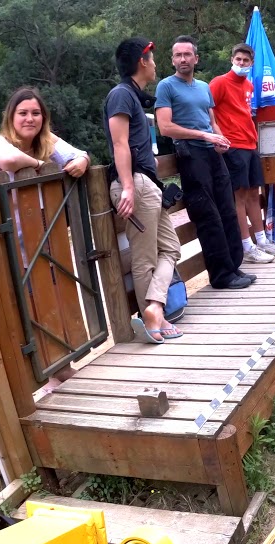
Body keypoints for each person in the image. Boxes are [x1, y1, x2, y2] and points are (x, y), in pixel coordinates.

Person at [156, 34, 258, 289]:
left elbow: (211, 121)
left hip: (213, 153)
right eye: (178, 55)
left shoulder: (203, 87)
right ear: (172, 60)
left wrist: (219, 139)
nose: (182, 59)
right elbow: (165, 127)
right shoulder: (166, 87)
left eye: (187, 54)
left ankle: (234, 267)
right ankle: (221, 276)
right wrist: (203, 135)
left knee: (227, 209)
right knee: (208, 214)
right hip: (190, 153)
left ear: (196, 58)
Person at [104, 37, 184, 343]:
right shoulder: (121, 95)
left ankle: (153, 307)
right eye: (153, 58)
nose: (156, 64)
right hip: (135, 182)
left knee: (172, 248)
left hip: (145, 184)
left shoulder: (132, 96)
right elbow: (119, 143)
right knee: (144, 257)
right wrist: (127, 187)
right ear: (142, 60)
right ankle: (154, 322)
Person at [209, 42, 275, 262]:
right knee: (239, 196)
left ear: (251, 63)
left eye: (246, 61)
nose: (241, 64)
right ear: (232, 60)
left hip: (251, 145)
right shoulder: (219, 83)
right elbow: (208, 109)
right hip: (233, 146)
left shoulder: (249, 86)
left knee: (254, 193)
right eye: (238, 60)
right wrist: (218, 135)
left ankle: (261, 240)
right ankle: (246, 245)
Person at [0, 87, 90, 179]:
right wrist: (39, 164)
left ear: (43, 117)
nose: (30, 119)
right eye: (23, 113)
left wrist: (84, 160)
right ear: (11, 117)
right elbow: (11, 160)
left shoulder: (46, 139)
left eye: (36, 113)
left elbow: (80, 155)